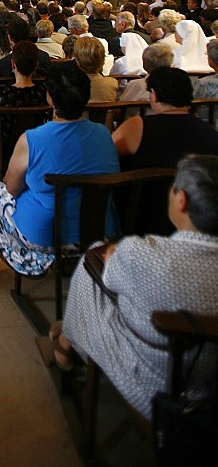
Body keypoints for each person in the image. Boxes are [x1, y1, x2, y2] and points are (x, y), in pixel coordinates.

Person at [48, 155, 218, 420]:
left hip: (154, 381)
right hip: (208, 382)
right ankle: (66, 338)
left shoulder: (146, 255)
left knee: (91, 258)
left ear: (181, 200)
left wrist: (121, 252)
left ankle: (65, 343)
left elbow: (108, 276)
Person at [0, 63, 119, 281]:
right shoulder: (103, 133)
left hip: (44, 236)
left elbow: (12, 188)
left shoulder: (33, 140)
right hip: (99, 233)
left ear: (51, 98)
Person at [113, 66, 218, 232]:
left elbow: (106, 156)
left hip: (140, 217)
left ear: (154, 94)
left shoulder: (137, 127)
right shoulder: (209, 132)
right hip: (197, 221)